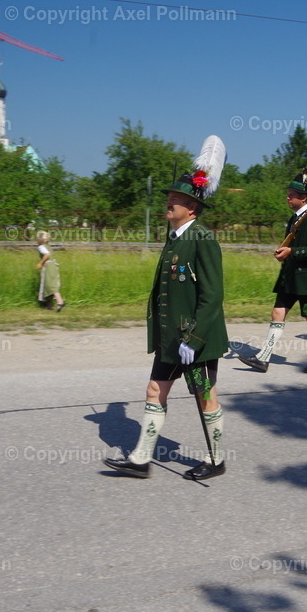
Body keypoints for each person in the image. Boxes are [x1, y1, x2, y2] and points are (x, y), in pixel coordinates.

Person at [103, 141, 230, 481]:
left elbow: (212, 295)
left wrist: (195, 337)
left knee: (205, 396)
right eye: (169, 197)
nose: (168, 202)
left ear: (192, 207)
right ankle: (141, 459)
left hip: (194, 339)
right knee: (154, 390)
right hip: (172, 338)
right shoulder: (175, 237)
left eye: (175, 199)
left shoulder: (202, 238)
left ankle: (217, 460)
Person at [238, 168, 307, 374]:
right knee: (277, 312)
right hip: (290, 277)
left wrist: (291, 252)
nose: (288, 197)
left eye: (292, 195)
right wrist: (283, 252)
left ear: (303, 197)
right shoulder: (294, 218)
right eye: (288, 193)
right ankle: (264, 357)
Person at [35, 230, 65, 312]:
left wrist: (40, 263)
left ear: (40, 239)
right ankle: (49, 305)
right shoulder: (48, 246)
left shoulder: (41, 247)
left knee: (50, 285)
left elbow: (47, 255)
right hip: (54, 266)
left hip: (48, 267)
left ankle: (60, 301)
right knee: (49, 285)